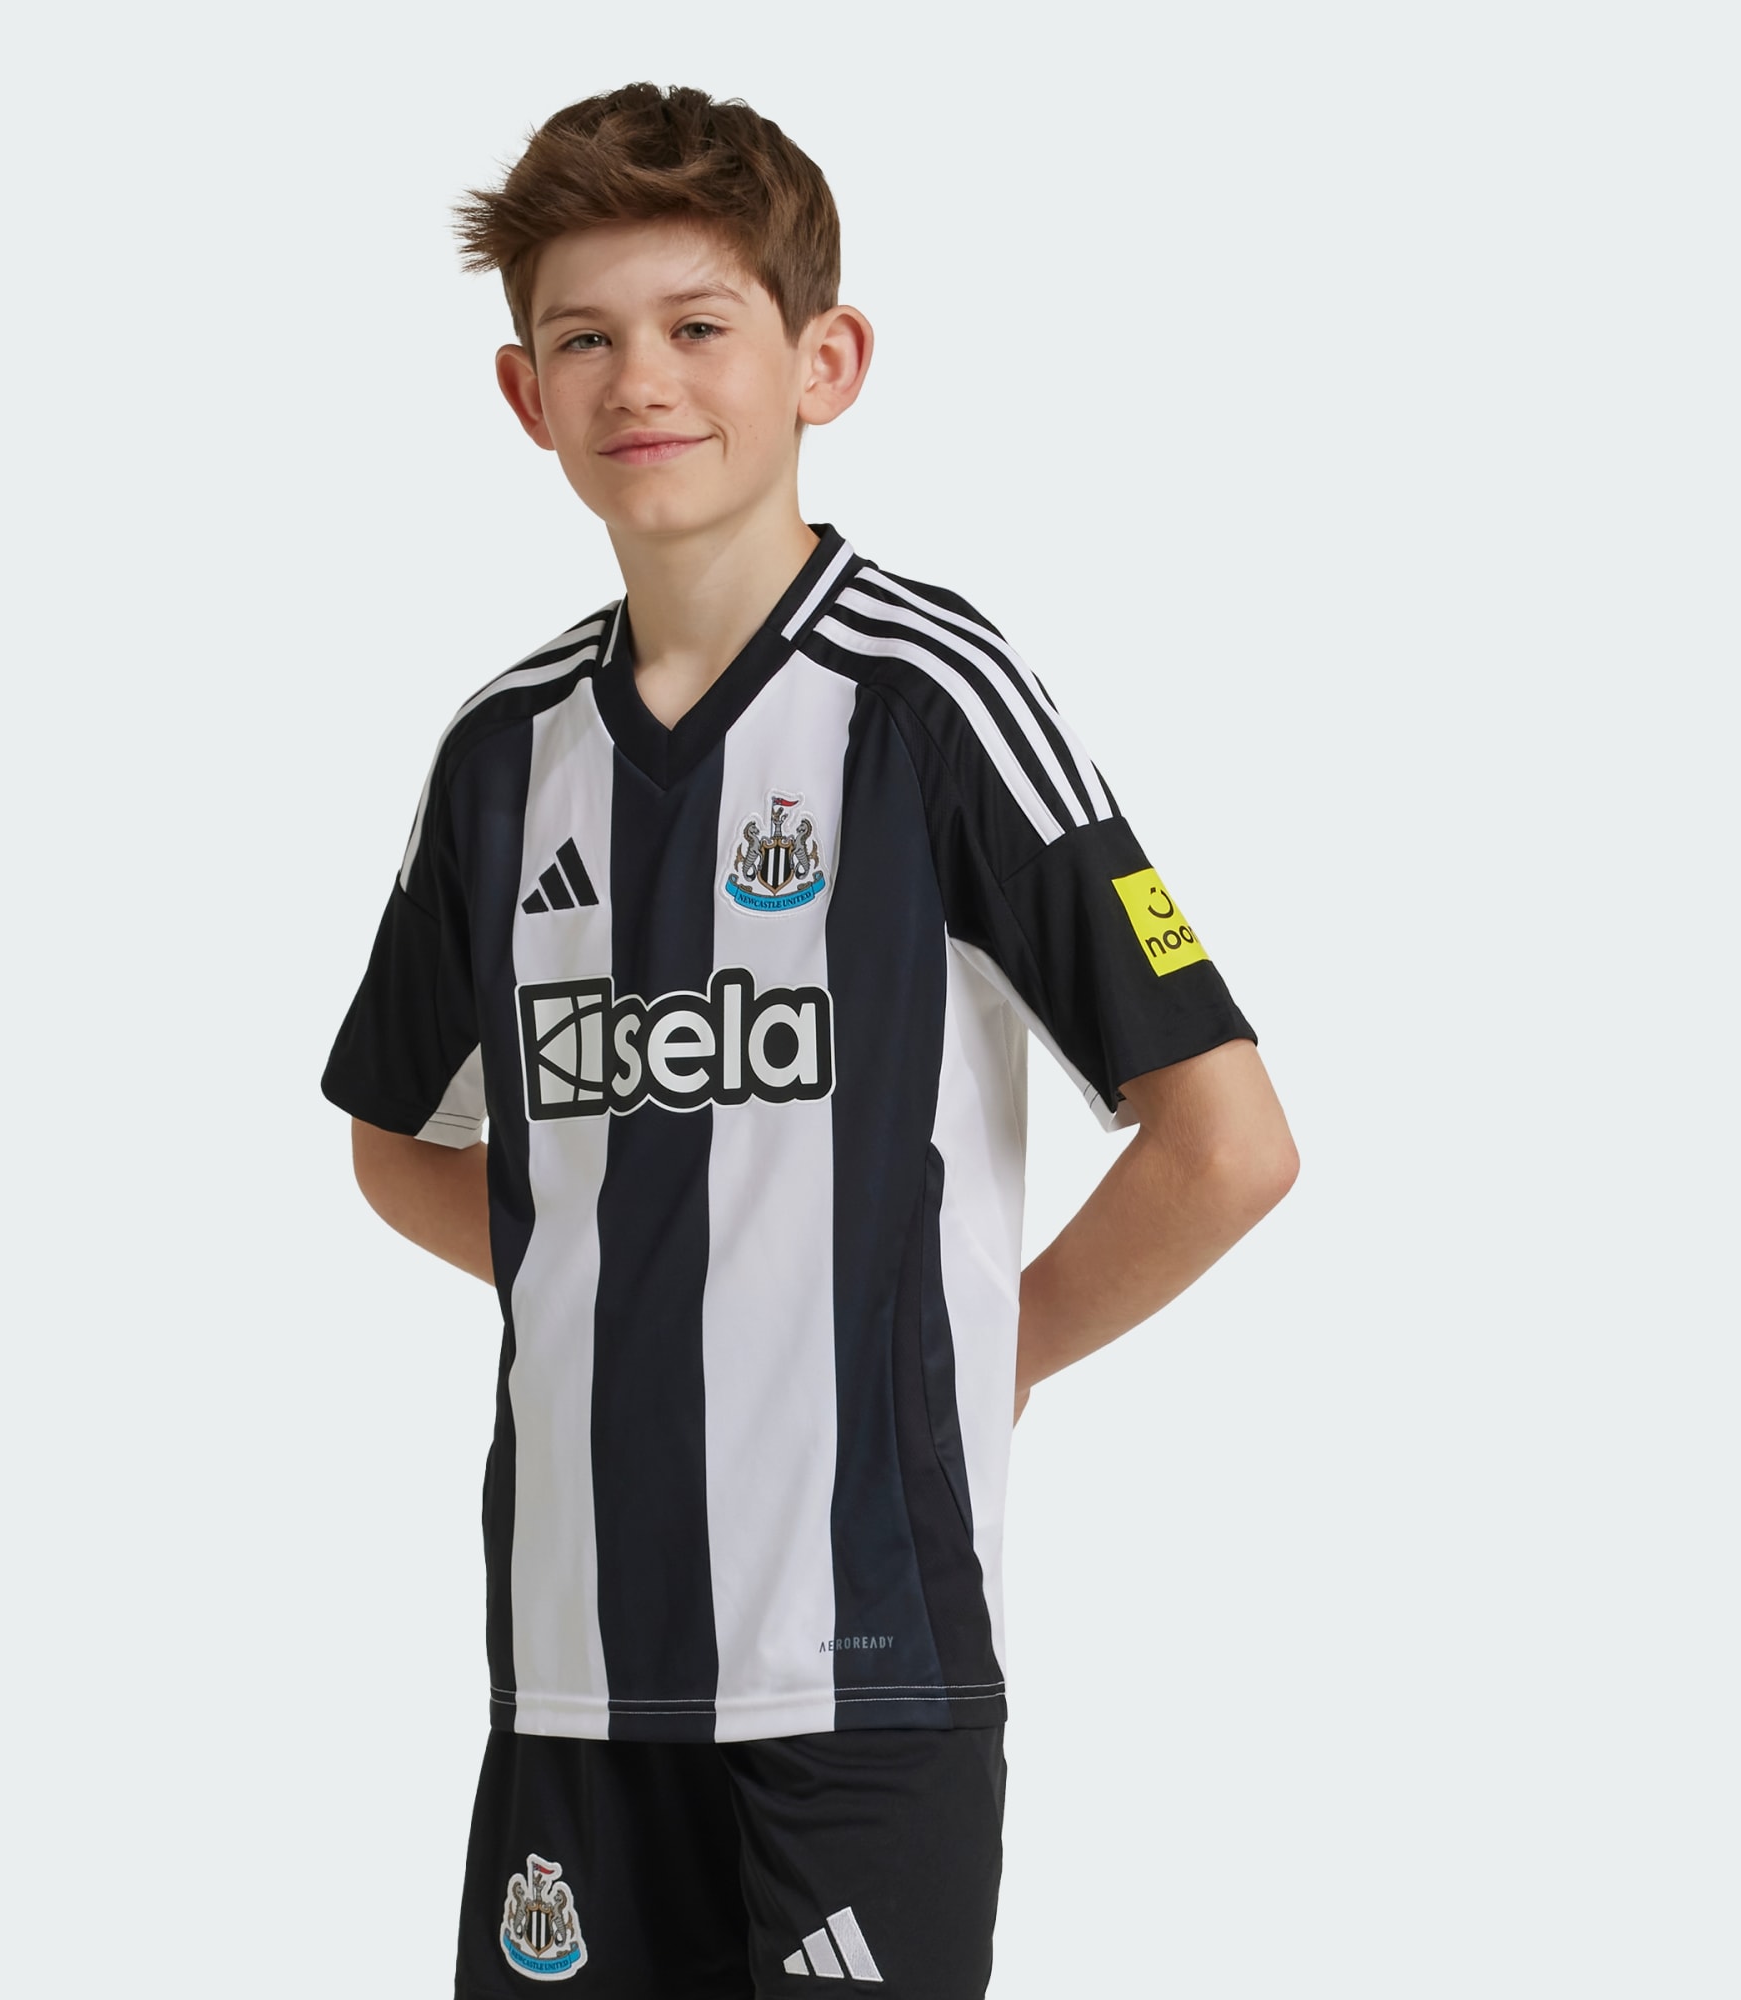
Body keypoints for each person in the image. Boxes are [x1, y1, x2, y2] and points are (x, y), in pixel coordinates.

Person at [321, 81, 1297, 2000]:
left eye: (699, 325)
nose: (640, 380)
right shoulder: (500, 755)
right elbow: (395, 1140)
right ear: (524, 396)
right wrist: (635, 1259)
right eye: (583, 339)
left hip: (865, 1665)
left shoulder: (931, 700)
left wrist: (986, 1348)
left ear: (822, 362)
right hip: (574, 1668)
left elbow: (1228, 1141)